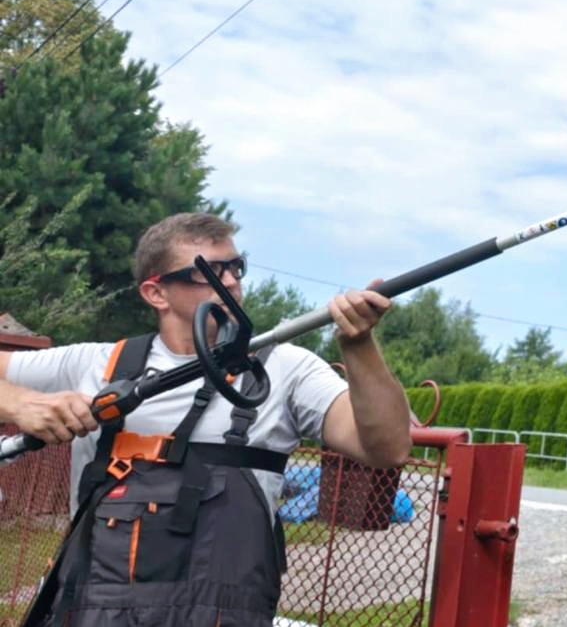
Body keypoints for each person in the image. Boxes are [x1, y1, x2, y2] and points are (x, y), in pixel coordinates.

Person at [0, 212, 413, 626]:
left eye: (236, 267)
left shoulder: (287, 370)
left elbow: (388, 448)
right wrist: (21, 405)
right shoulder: (97, 364)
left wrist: (359, 346)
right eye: (208, 273)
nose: (231, 282)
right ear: (156, 293)